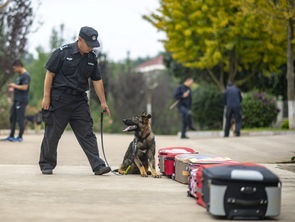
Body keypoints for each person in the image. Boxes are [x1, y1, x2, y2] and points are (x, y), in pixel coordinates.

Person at [39, 26, 111, 175]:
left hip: (79, 101)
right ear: (80, 40)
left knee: (87, 133)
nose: (91, 48)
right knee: (52, 133)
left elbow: (97, 80)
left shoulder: (92, 58)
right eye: (89, 45)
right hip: (60, 99)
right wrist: (46, 97)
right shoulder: (62, 52)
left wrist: (103, 102)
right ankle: (47, 164)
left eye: (93, 45)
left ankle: (97, 165)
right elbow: (50, 74)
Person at [1, 60, 30, 142]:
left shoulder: (26, 75)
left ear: (19, 66)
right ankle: (11, 136)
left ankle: (20, 137)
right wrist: (13, 87)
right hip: (16, 100)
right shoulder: (20, 75)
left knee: (20, 118)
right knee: (12, 118)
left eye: (15, 68)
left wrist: (14, 85)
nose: (14, 70)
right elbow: (19, 86)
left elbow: (25, 87)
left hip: (21, 100)